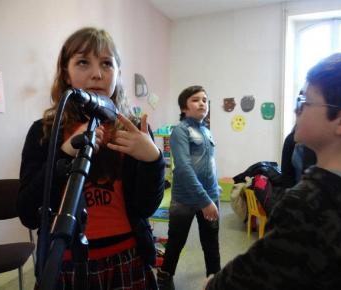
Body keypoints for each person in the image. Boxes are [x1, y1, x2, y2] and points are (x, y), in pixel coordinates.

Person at [204, 47, 341, 290]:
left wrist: (212, 284)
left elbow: (253, 273)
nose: (296, 109)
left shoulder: (306, 204)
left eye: (304, 101)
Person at [17, 27, 165, 290]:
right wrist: (63, 154)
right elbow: (29, 213)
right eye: (83, 62)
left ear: (118, 73)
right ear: (66, 71)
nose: (97, 74)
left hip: (128, 257)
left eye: (107, 64)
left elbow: (145, 208)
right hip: (65, 264)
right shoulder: (44, 132)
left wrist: (153, 159)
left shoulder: (133, 131)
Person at [157, 85, 221, 290]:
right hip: (185, 199)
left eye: (205, 99)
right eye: (196, 99)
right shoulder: (180, 130)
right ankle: (165, 277)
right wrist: (205, 200)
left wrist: (214, 186)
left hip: (210, 196)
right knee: (176, 242)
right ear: (184, 107)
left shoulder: (206, 131)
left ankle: (215, 281)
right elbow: (183, 168)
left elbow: (208, 163)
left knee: (211, 243)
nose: (202, 103)